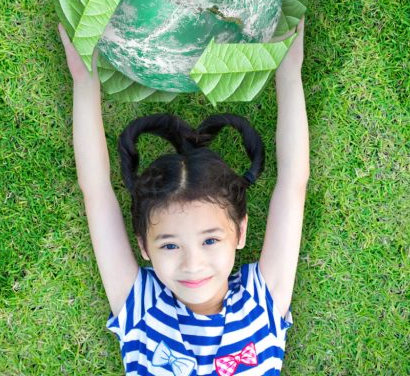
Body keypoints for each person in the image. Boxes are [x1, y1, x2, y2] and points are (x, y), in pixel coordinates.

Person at [58, 20, 309, 375]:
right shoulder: (142, 307)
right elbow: (95, 191)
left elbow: (293, 186)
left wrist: (288, 73)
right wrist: (84, 85)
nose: (193, 264)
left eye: (210, 239)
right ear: (144, 247)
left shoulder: (261, 302)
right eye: (170, 246)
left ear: (240, 233)